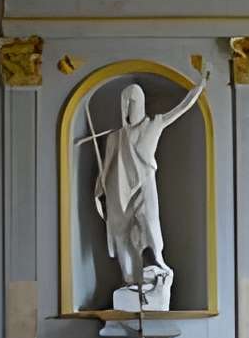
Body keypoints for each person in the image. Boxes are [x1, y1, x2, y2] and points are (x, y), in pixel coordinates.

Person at [87, 70, 207, 301]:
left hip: (145, 186)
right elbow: (107, 166)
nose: (128, 109)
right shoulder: (116, 136)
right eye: (125, 105)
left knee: (150, 223)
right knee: (122, 231)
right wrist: (99, 188)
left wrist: (198, 88)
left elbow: (181, 109)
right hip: (120, 189)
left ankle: (158, 262)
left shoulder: (154, 124)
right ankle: (130, 278)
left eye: (132, 104)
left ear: (140, 104)